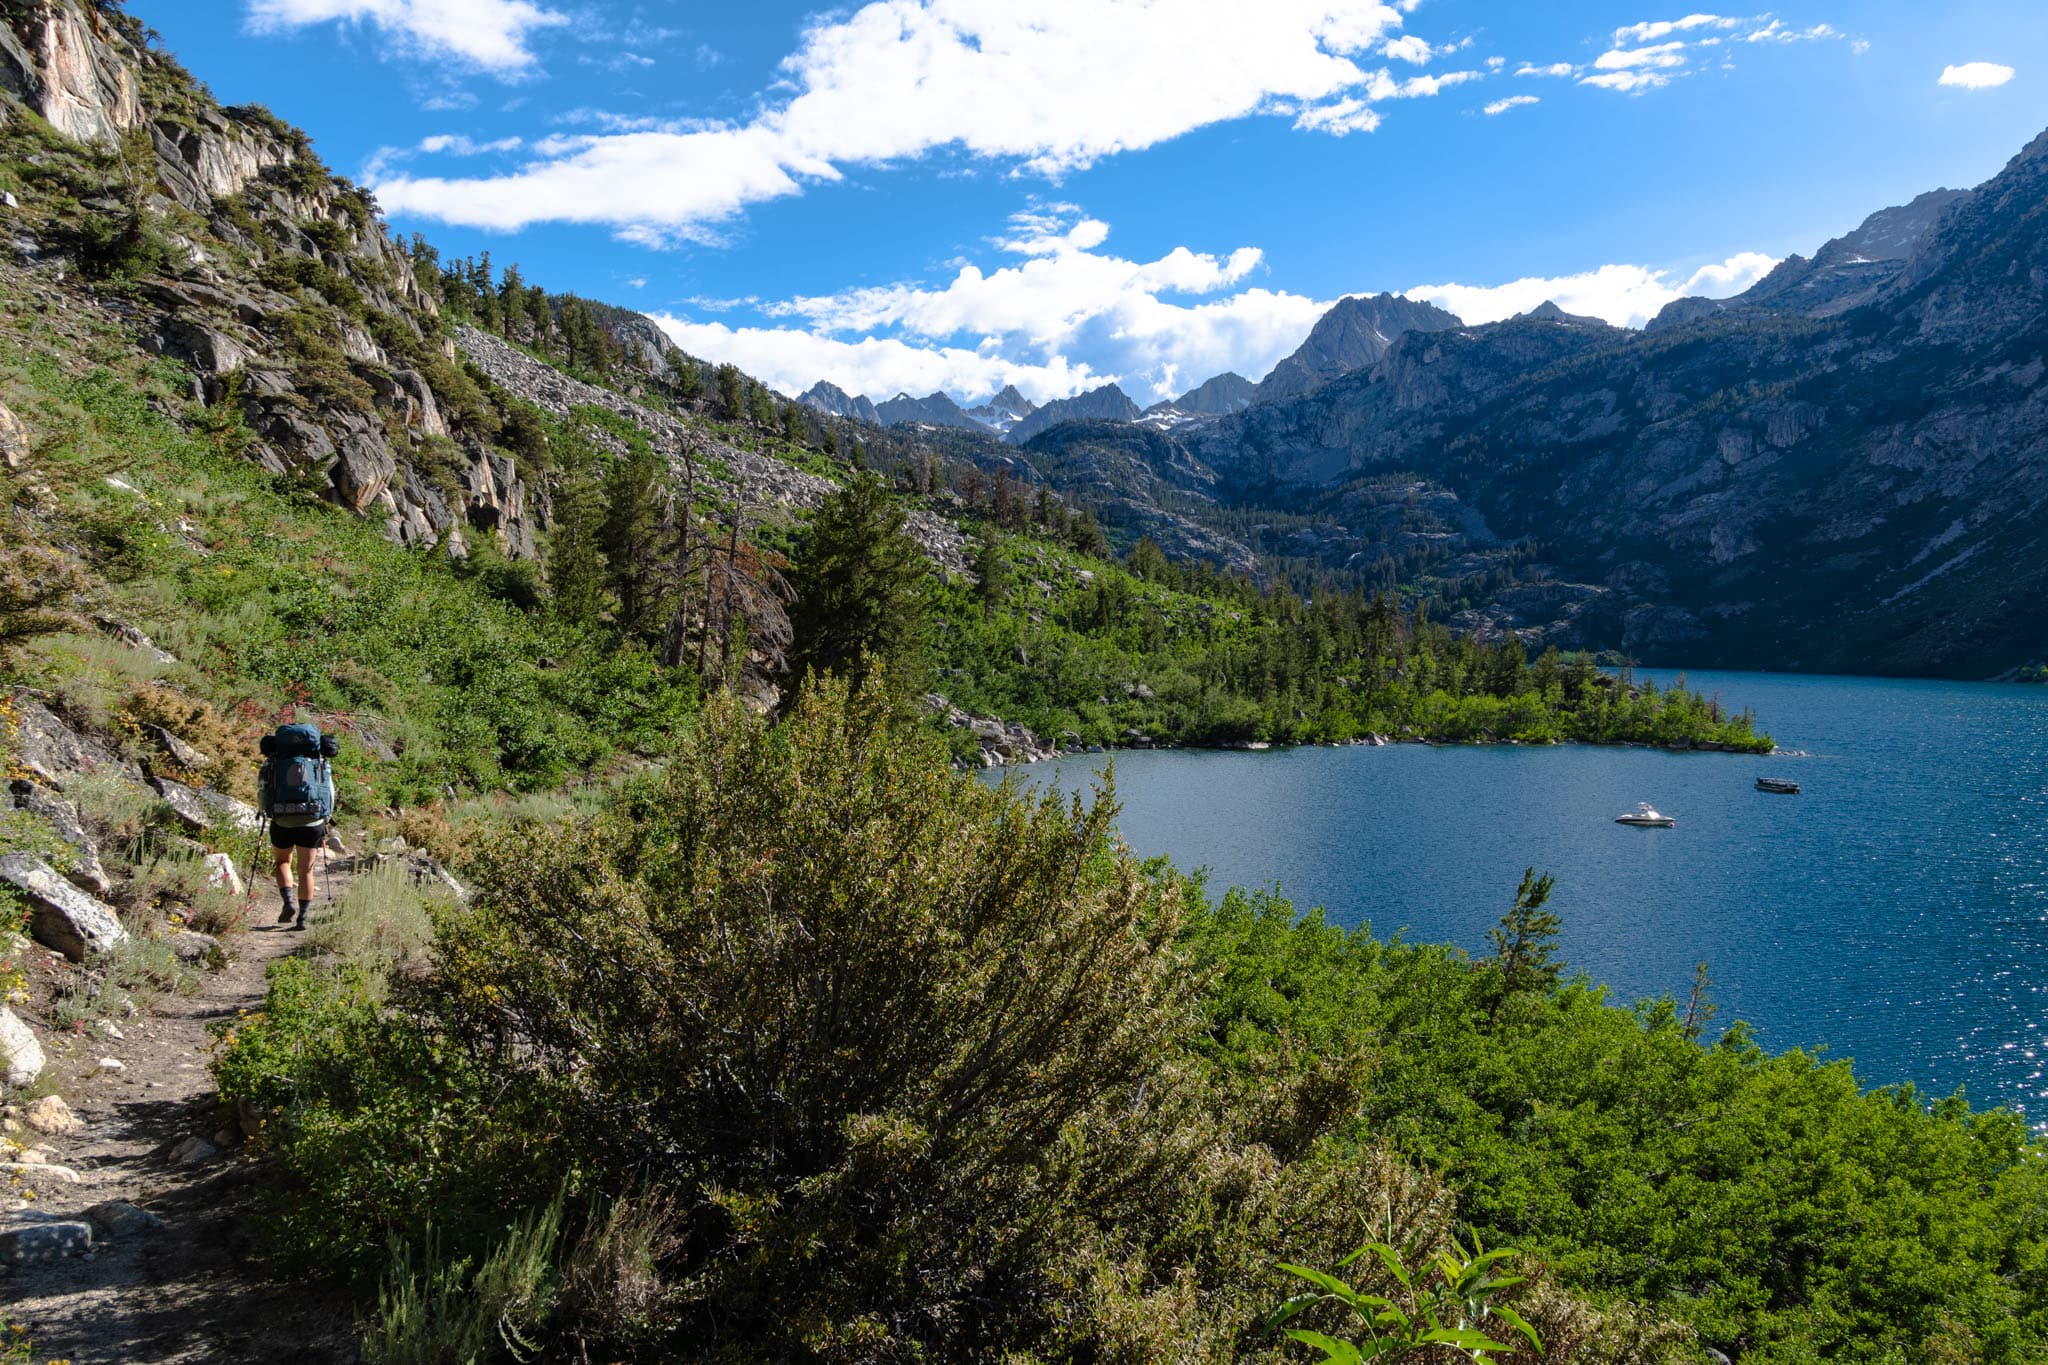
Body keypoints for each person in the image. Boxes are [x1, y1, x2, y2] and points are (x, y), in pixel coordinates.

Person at [256, 722, 338, 930]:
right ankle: (302, 917)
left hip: (281, 818)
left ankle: (288, 902)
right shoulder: (319, 761)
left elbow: (262, 789)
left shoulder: (274, 761)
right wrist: (326, 817)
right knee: (306, 870)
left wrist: (265, 811)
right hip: (312, 820)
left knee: (283, 861)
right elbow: (329, 791)